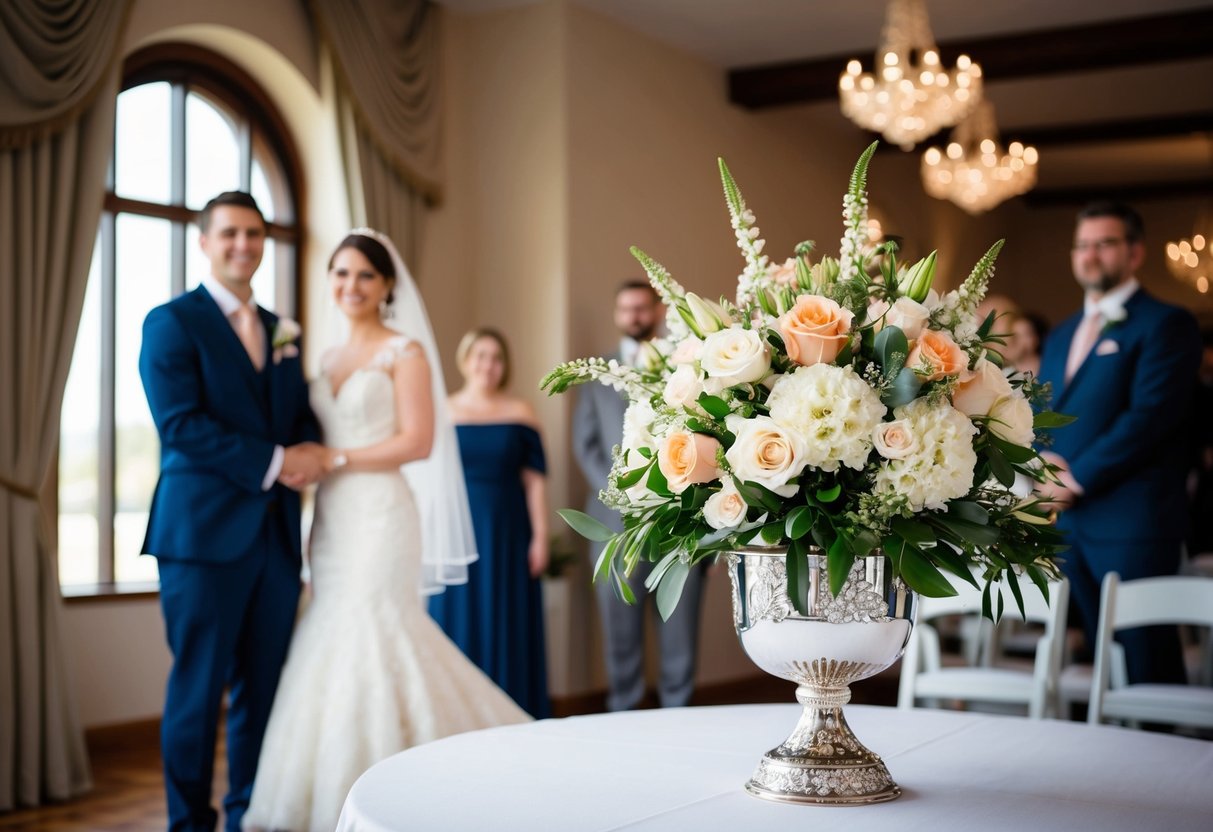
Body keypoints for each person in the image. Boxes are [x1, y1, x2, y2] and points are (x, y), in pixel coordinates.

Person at [243, 231, 528, 832]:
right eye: (341, 273)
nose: (351, 286)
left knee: (377, 631)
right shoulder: (318, 358)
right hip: (332, 520)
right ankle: (326, 793)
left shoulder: (405, 352)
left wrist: (334, 459)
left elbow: (417, 441)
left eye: (365, 276)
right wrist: (306, 466)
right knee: (328, 632)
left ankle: (410, 788)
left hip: (382, 514)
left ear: (388, 285)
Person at [139, 191, 325, 832]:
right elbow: (181, 425)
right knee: (198, 688)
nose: (243, 244)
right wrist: (279, 461)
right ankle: (189, 822)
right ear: (205, 242)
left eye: (253, 233)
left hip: (273, 536)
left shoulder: (282, 330)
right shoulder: (171, 322)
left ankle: (249, 811)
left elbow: (296, 414)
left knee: (261, 687)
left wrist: (309, 449)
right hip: (201, 538)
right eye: (229, 234)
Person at [1036, 200, 1200, 686]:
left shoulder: (1166, 324)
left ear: (1134, 253)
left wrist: (1076, 477)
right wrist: (1041, 465)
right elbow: (1044, 411)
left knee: (1148, 656)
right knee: (1100, 663)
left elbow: (1150, 417)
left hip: (1134, 521)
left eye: (1104, 244)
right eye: (1082, 245)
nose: (1090, 255)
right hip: (1068, 522)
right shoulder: (1063, 333)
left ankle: (1169, 759)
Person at [572, 280, 705, 711]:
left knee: (680, 629)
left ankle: (678, 713)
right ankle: (622, 717)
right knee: (619, 632)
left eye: (642, 308)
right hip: (614, 523)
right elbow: (585, 444)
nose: (635, 316)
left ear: (657, 312)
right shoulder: (597, 374)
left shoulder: (685, 368)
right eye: (626, 308)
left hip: (676, 523)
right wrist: (622, 495)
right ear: (617, 315)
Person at [428, 327, 552, 718]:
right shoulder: (443, 410)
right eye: (480, 355)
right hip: (455, 531)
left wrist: (541, 537)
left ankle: (512, 714)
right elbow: (430, 481)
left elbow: (534, 482)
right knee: (459, 618)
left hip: (507, 532)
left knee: (507, 621)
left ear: (505, 366)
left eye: (496, 357)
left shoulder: (521, 412)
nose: (488, 365)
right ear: (465, 360)